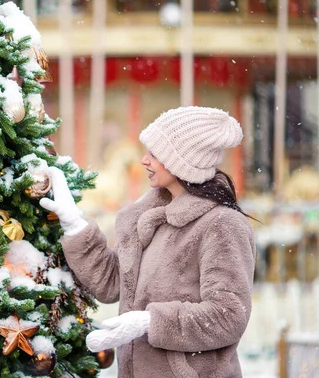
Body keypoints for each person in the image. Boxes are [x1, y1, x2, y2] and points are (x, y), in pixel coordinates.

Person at [40, 106, 256, 377]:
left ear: (180, 160)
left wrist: (151, 321)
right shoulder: (147, 218)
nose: (144, 160)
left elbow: (228, 316)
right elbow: (112, 283)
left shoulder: (222, 225)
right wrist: (74, 224)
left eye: (154, 154)